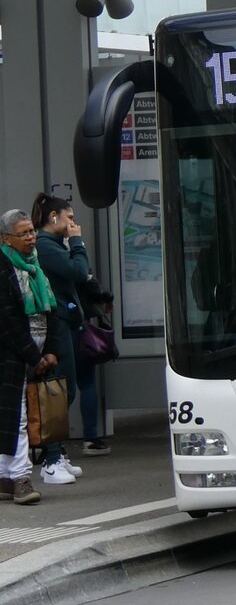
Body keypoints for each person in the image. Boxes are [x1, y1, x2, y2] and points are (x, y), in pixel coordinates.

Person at [33, 194, 111, 485]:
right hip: (58, 325)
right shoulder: (46, 246)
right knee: (60, 391)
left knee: (67, 390)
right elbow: (79, 273)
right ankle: (51, 459)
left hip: (68, 322)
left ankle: (57, 454)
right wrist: (77, 242)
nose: (73, 224)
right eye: (69, 218)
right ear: (53, 217)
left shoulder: (52, 245)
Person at [1, 209, 60, 505]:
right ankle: (21, 478)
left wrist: (50, 350)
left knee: (18, 415)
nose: (30, 237)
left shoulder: (35, 264)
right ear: (7, 239)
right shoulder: (3, 267)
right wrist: (32, 354)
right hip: (12, 354)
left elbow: (51, 310)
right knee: (17, 416)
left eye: (31, 231)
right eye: (23, 233)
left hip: (35, 350)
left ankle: (5, 478)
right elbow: (7, 320)